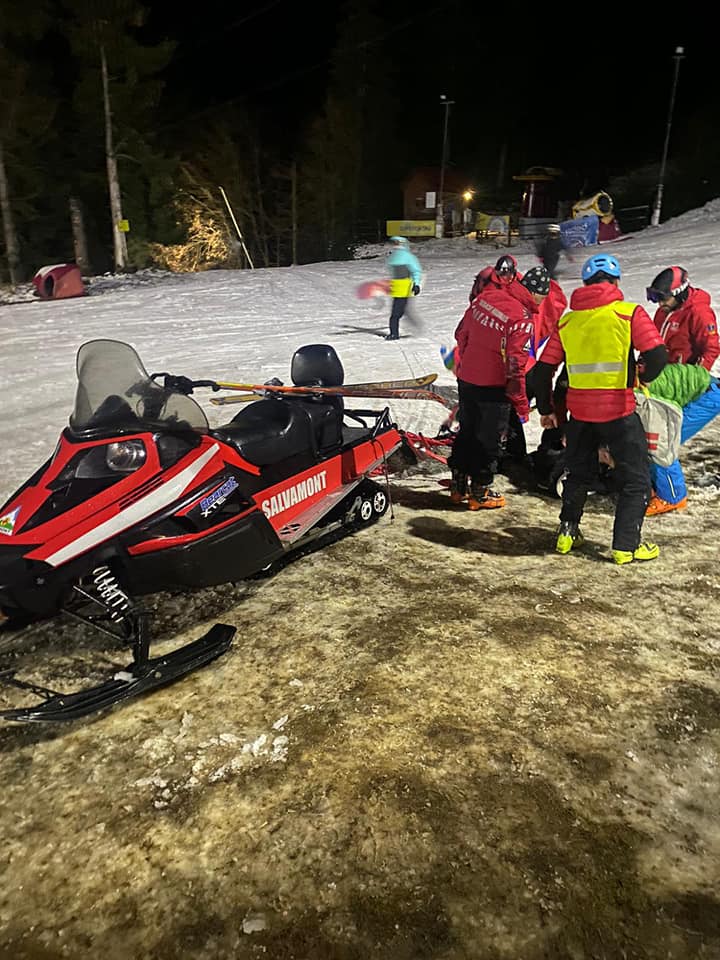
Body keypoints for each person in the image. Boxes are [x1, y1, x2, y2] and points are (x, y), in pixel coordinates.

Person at [532, 253, 668, 565]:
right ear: (615, 282)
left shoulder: (568, 321)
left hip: (580, 417)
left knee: (578, 475)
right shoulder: (628, 314)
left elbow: (542, 371)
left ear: (585, 284)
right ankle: (625, 547)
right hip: (619, 413)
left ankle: (567, 534)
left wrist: (547, 409)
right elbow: (658, 355)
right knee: (635, 479)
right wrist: (642, 375)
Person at [447, 264, 550, 510]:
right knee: (488, 440)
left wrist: (469, 360)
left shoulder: (486, 298)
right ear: (535, 293)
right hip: (493, 387)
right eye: (542, 297)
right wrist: (521, 405)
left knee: (467, 431)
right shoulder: (522, 319)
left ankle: (458, 485)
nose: (542, 303)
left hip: (467, 378)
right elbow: (515, 367)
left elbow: (461, 333)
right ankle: (480, 492)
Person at [642, 362, 720, 515]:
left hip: (707, 395)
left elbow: (665, 410)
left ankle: (672, 497)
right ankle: (658, 485)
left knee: (660, 444)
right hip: (700, 386)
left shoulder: (638, 392)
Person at [647, 266, 719, 369]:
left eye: (665, 299)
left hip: (683, 373)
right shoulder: (664, 310)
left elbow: (711, 349)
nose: (660, 304)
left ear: (679, 294)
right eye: (657, 299)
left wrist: (697, 374)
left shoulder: (699, 313)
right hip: (663, 372)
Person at [385, 236, 423, 341]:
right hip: (398, 288)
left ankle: (394, 334)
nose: (395, 245)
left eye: (396, 243)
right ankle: (398, 331)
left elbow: (416, 271)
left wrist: (416, 284)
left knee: (396, 313)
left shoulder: (405, 257)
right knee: (400, 311)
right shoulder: (395, 256)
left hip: (403, 288)